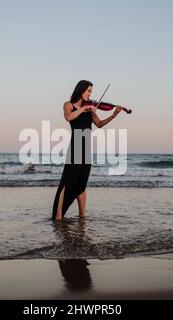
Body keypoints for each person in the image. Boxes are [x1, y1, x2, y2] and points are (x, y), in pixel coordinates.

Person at [51, 80, 122, 220]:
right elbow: (68, 117)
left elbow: (100, 124)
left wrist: (114, 115)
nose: (90, 94)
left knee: (82, 184)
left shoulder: (90, 109)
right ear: (81, 90)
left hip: (86, 149)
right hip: (75, 147)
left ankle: (82, 215)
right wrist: (83, 109)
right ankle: (58, 216)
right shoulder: (69, 105)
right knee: (67, 182)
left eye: (91, 92)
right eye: (88, 91)